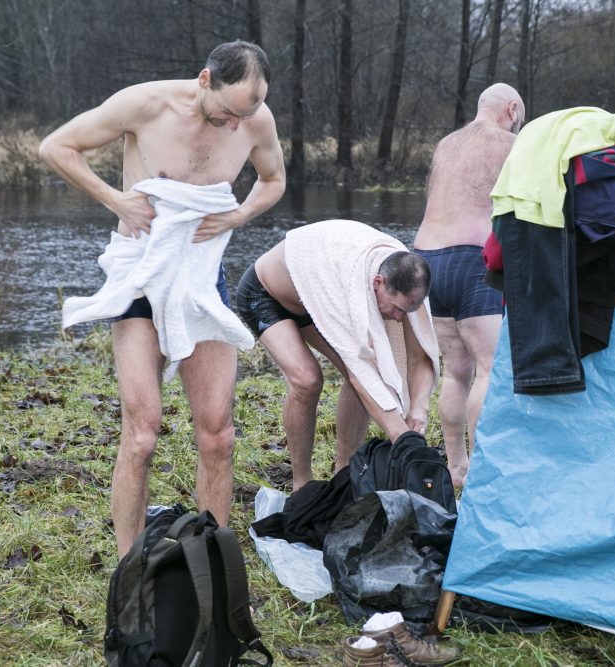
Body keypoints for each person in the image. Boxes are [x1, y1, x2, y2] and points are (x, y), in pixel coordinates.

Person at [38, 41, 285, 557]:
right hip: (141, 278)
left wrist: (239, 215)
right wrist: (117, 201)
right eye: (227, 112)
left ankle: (211, 559)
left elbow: (273, 179)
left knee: (218, 434)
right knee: (143, 433)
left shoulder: (254, 120)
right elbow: (56, 147)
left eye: (246, 114)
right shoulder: (145, 104)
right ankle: (129, 567)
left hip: (200, 280)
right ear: (204, 79)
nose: (235, 125)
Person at [236, 219, 439, 491]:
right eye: (396, 309)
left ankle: (345, 473)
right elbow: (359, 372)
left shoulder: (408, 278)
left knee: (365, 376)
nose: (399, 318)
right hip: (267, 294)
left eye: (407, 311)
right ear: (378, 282)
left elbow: (421, 353)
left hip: (314, 296)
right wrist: (402, 439)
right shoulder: (353, 280)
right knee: (308, 380)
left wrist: (419, 409)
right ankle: (302, 482)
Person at [413, 83, 524, 488]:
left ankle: (456, 468)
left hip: (425, 260)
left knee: (456, 371)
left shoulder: (446, 144)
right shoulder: (510, 144)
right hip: (471, 257)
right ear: (511, 109)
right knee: (488, 368)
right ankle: (482, 471)